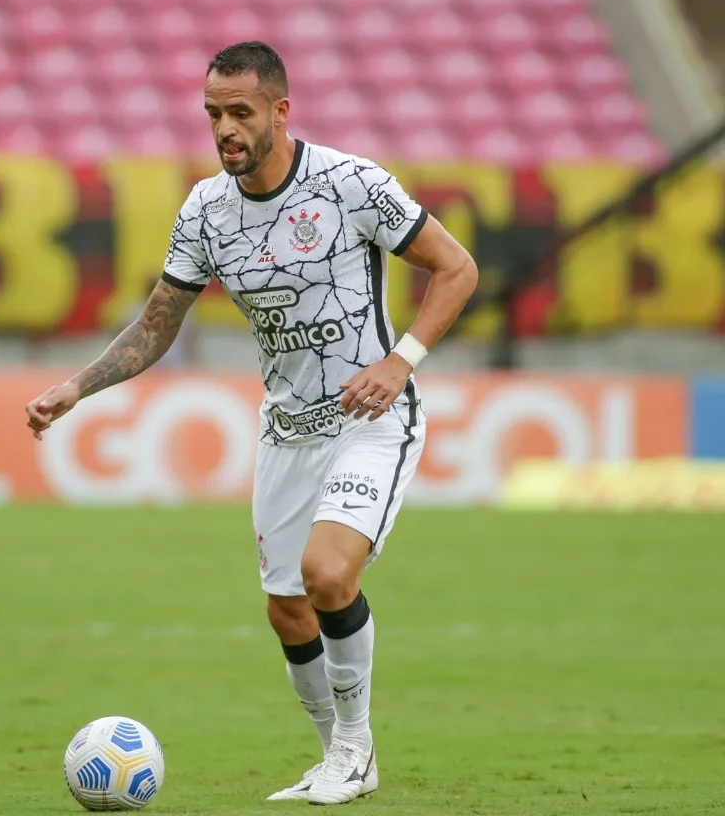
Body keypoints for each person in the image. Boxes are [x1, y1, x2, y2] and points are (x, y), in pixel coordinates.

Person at [25, 42, 477, 804]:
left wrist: (401, 361)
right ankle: (335, 755)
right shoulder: (207, 209)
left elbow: (456, 266)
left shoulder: (350, 183)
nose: (225, 129)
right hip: (287, 430)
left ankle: (357, 750)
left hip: (370, 417)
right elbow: (156, 325)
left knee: (328, 574)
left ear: (279, 110)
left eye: (240, 112)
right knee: (288, 608)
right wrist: (78, 387)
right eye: (213, 115)